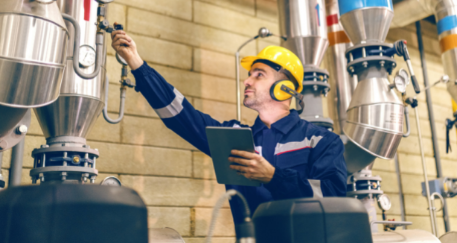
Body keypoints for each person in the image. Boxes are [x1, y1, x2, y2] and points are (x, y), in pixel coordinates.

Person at [111, 27, 347, 226]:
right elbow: (180, 114)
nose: (247, 80)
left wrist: (274, 177)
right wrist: (136, 63)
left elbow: (334, 200)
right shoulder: (233, 138)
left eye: (259, 74)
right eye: (249, 74)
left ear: (284, 89)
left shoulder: (321, 140)